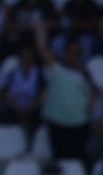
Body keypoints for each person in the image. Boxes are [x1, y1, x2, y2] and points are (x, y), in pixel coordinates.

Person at [34, 19, 94, 163]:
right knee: (59, 160)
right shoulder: (56, 69)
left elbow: (93, 96)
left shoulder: (84, 74)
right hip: (57, 123)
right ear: (66, 53)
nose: (73, 56)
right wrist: (39, 31)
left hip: (78, 124)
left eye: (77, 53)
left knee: (77, 160)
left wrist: (88, 109)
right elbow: (42, 48)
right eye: (71, 52)